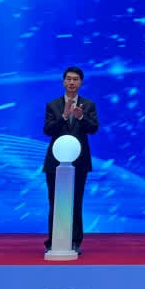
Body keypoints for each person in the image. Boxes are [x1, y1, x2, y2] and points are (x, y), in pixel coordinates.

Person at [42, 66, 99, 253]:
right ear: (63, 82)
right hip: (55, 163)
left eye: (75, 79)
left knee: (75, 202)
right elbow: (48, 130)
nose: (72, 82)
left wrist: (81, 117)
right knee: (56, 202)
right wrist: (64, 116)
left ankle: (75, 241)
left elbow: (94, 128)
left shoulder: (88, 105)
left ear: (81, 82)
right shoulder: (53, 105)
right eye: (68, 79)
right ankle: (54, 240)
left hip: (79, 162)